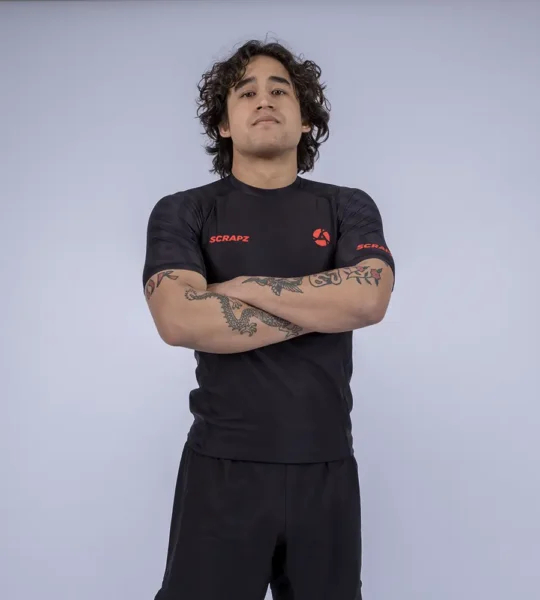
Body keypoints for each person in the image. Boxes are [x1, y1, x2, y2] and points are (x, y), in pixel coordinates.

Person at [142, 39, 395, 600]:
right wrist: (326, 305)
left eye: (280, 90)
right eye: (246, 92)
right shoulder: (185, 210)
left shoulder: (346, 206)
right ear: (223, 124)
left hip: (326, 468)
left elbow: (370, 300)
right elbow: (178, 318)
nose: (264, 99)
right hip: (221, 470)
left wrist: (245, 288)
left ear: (305, 121)